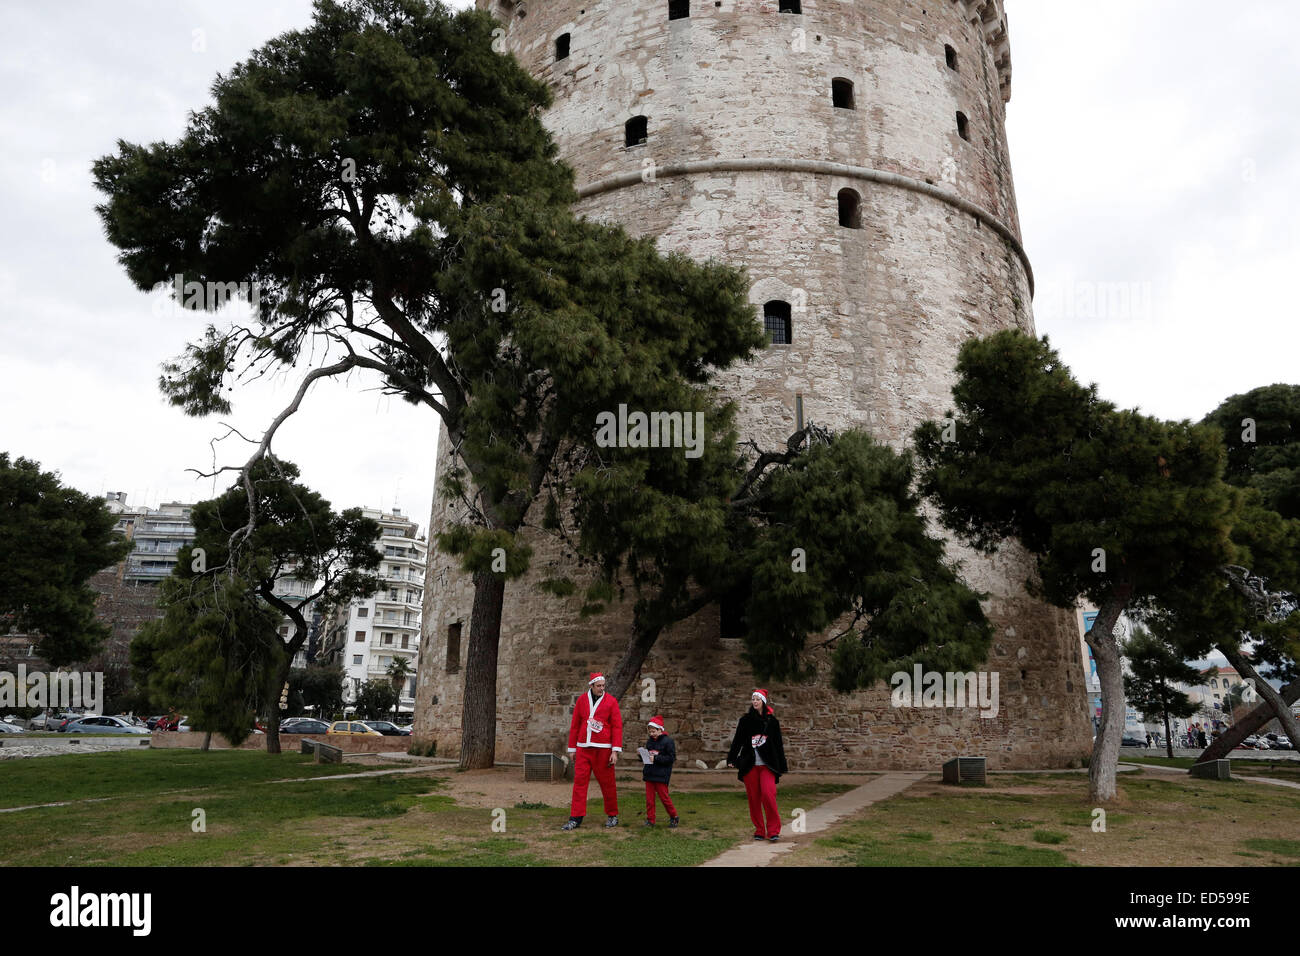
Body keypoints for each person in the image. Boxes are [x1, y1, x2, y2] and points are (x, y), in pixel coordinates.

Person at [562, 672, 623, 830]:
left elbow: (617, 727)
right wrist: (572, 748)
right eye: (598, 686)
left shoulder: (611, 701)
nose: (601, 688)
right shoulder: (582, 700)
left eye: (603, 685)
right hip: (583, 748)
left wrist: (614, 751)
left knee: (608, 784)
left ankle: (612, 815)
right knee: (579, 784)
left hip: (603, 750)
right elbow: (575, 725)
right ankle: (575, 817)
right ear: (591, 686)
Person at [726, 689, 788, 842]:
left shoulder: (772, 722)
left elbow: (778, 744)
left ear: (763, 702)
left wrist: (782, 764)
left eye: (757, 699)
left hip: (768, 765)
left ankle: (773, 830)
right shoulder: (745, 721)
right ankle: (759, 830)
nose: (754, 702)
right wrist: (731, 758)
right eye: (753, 699)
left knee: (768, 795)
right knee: (754, 799)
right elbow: (737, 741)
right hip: (750, 764)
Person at [641, 715, 679, 828]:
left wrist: (656, 758)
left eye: (653, 731)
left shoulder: (668, 742)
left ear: (660, 729)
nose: (651, 734)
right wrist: (642, 756)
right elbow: (648, 756)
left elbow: (671, 758)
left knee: (664, 798)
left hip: (661, 775)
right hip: (649, 774)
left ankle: (674, 816)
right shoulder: (649, 742)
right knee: (649, 800)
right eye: (650, 732)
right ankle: (650, 820)